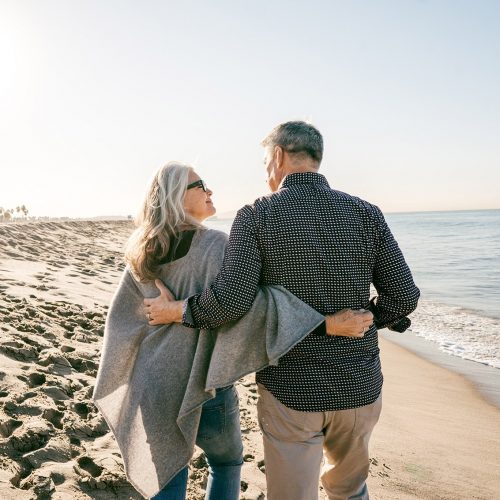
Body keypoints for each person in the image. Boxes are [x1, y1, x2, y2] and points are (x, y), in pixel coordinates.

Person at [145, 122, 420, 500]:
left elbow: (230, 302)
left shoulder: (257, 215)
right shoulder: (366, 212)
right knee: (351, 492)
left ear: (277, 157)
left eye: (264, 161)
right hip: (360, 385)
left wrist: (179, 310)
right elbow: (404, 296)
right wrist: (372, 317)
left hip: (292, 389)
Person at [93, 161, 373, 500]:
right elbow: (251, 307)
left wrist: (164, 318)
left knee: (167, 474)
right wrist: (325, 323)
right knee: (226, 463)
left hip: (153, 384)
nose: (210, 190)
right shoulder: (216, 246)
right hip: (206, 384)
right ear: (175, 196)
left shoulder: (141, 251)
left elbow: (122, 320)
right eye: (200, 185)